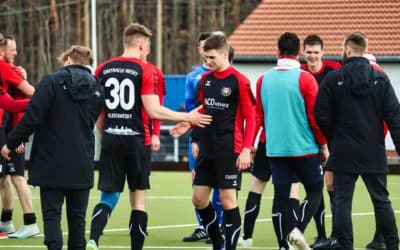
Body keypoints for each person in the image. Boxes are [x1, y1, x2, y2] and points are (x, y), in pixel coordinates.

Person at [86, 22, 212, 250]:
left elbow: (97, 113)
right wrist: (188, 118)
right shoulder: (146, 70)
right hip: (137, 141)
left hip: (111, 140)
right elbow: (155, 110)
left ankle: (93, 240)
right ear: (142, 45)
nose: (149, 50)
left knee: (107, 196)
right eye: (149, 46)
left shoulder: (102, 69)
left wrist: (105, 136)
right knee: (139, 200)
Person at [0, 45, 104, 249]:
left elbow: (32, 118)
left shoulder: (51, 82)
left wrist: (10, 143)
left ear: (67, 59)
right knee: (77, 221)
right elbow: (91, 120)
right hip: (82, 160)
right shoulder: (97, 88)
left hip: (51, 161)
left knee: (52, 218)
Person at [314, 31, 399, 250]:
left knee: (342, 201)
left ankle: (345, 246)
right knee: (381, 201)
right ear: (365, 49)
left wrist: (335, 138)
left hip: (343, 150)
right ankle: (392, 245)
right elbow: (394, 115)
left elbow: (320, 115)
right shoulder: (381, 79)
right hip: (373, 149)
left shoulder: (333, 78)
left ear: (348, 50)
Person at [255, 32, 328, 250]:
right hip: (304, 148)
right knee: (315, 190)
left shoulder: (262, 79)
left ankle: (282, 246)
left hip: (276, 149)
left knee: (280, 199)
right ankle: (298, 229)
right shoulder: (306, 79)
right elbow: (315, 119)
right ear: (299, 53)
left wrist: (250, 146)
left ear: (277, 52)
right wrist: (323, 145)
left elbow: (259, 116)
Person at [187, 33, 256, 250]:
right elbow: (201, 110)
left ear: (224, 54)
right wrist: (189, 128)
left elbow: (251, 117)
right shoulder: (205, 80)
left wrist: (246, 149)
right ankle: (219, 242)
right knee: (198, 199)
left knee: (227, 201)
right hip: (207, 148)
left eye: (212, 57)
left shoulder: (239, 80)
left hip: (229, 149)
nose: (208, 62)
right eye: (205, 57)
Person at [300, 34, 341, 249]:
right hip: (307, 140)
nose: (313, 56)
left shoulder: (333, 71)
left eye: (316, 52)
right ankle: (322, 234)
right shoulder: (298, 73)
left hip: (332, 138)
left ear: (323, 53)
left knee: (331, 185)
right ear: (302, 52)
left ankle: (336, 235)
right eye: (309, 52)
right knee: (313, 187)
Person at [182, 32, 223, 243]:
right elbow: (190, 110)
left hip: (221, 140)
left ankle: (220, 225)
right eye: (202, 47)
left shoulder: (227, 76)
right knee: (197, 181)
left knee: (220, 184)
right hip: (198, 138)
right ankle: (203, 226)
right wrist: (194, 136)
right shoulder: (193, 77)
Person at [0, 34, 39, 239]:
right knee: (3, 179)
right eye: (12, 49)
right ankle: (6, 222)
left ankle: (30, 222)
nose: (16, 52)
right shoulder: (8, 69)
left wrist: (19, 137)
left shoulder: (10, 69)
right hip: (6, 131)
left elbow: (27, 96)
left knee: (16, 177)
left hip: (12, 133)